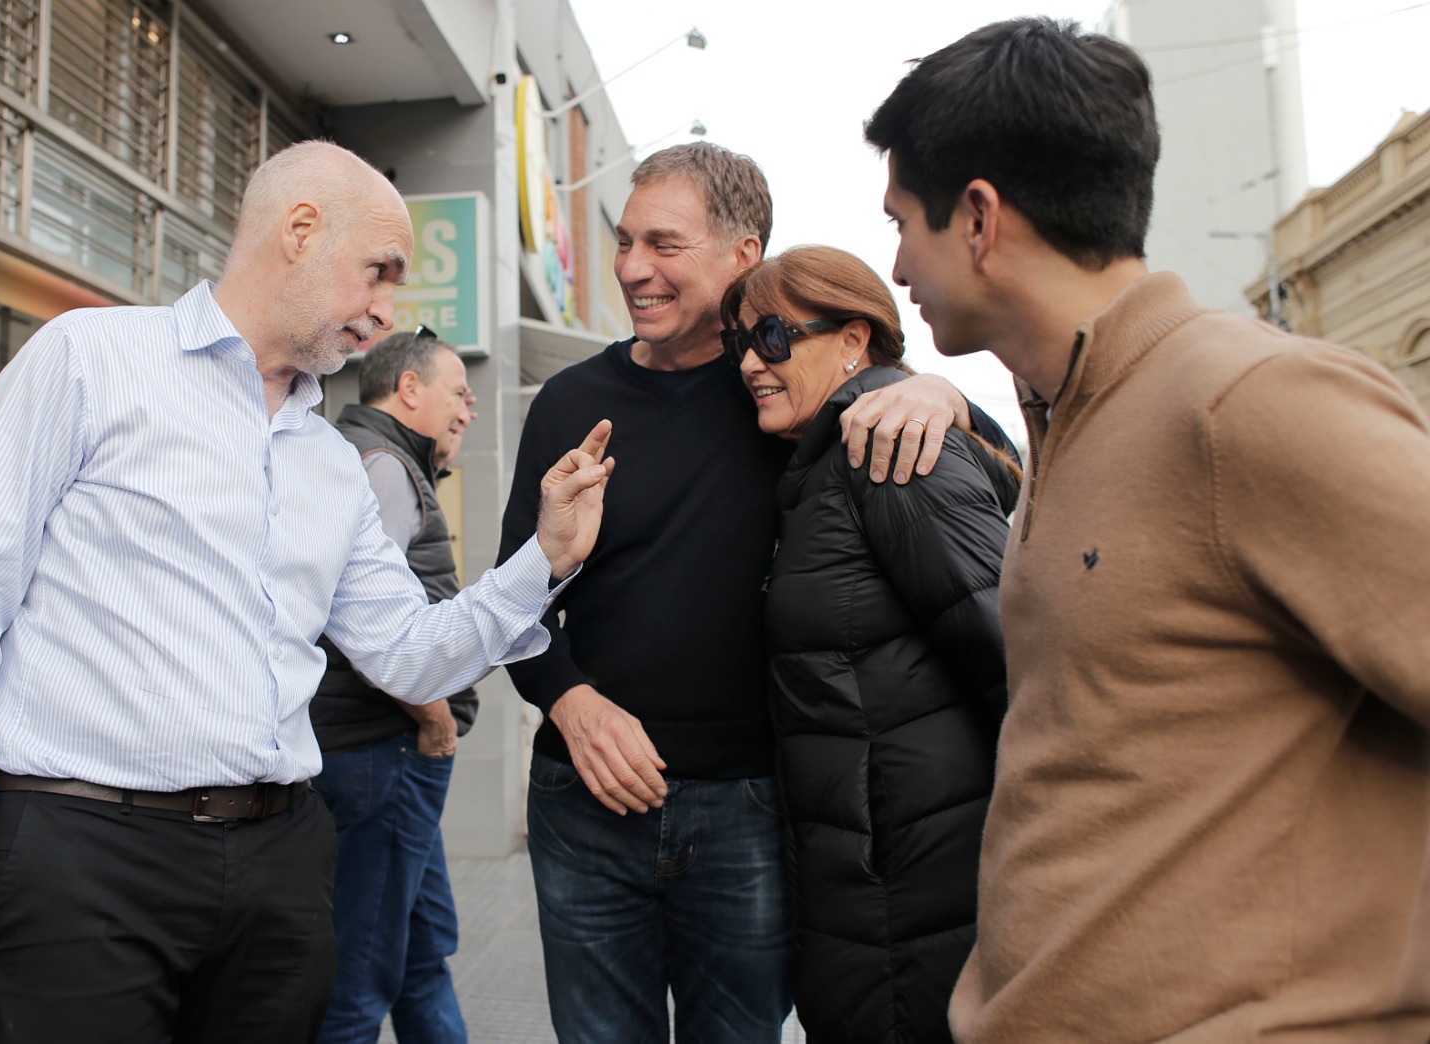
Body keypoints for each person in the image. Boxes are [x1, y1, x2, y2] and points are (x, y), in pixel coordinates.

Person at [0, 140, 614, 1044]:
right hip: (77, 857)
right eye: (379, 272)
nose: (387, 311)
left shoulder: (332, 465)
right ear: (300, 230)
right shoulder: (88, 361)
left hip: (280, 868)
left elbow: (410, 652)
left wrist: (545, 557)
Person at [864, 18, 1430, 1043]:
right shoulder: (1074, 417)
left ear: (980, 218)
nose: (897, 261)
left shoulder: (1246, 400)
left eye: (904, 219)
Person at [496, 141, 1013, 1043]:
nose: (631, 268)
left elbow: (964, 484)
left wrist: (940, 395)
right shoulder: (569, 401)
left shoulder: (781, 394)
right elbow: (511, 605)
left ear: (745, 253)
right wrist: (571, 703)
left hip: (750, 812)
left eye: (663, 243)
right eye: (623, 242)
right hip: (582, 803)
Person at [722, 245, 1016, 1043]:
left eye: (774, 338)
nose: (751, 361)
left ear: (854, 340)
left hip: (920, 889)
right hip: (867, 881)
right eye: (740, 343)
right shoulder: (826, 458)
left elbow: (1019, 666)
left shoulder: (888, 448)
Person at [308, 328, 479, 1043]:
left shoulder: (365, 457)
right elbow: (365, 621)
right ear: (409, 390)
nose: (468, 411)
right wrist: (435, 717)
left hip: (388, 754)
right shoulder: (381, 467)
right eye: (459, 393)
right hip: (386, 753)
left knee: (419, 953)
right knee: (361, 979)